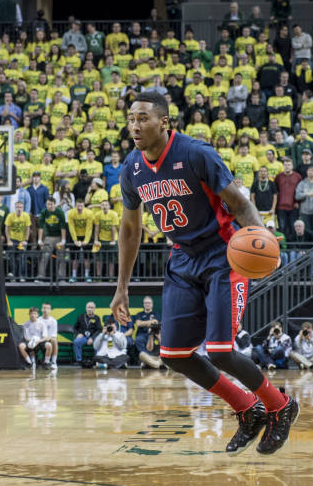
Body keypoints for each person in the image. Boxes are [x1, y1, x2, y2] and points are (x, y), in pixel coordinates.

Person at [111, 91, 299, 457]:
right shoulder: (131, 169)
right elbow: (130, 230)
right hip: (182, 259)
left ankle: (279, 406)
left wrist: (263, 243)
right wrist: (122, 288)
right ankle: (247, 409)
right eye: (132, 118)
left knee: (220, 350)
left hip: (223, 254)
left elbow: (240, 203)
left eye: (143, 118)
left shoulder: (196, 153)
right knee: (174, 354)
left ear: (164, 122)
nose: (135, 125)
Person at [274, 157, 302, 238]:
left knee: (293, 228)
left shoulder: (298, 177)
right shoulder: (278, 177)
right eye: (285, 165)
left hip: (293, 207)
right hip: (281, 207)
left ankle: (293, 248)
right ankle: (283, 248)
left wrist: (298, 202)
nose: (287, 167)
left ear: (292, 166)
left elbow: (300, 190)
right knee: (282, 228)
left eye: (289, 165)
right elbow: (276, 190)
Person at [39, 302, 59, 369]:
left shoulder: (53, 321)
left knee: (54, 340)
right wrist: (44, 339)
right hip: (40, 341)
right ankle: (46, 362)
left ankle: (53, 362)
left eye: (47, 308)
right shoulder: (38, 320)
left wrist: (48, 338)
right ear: (41, 309)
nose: (45, 310)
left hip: (49, 340)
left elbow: (54, 335)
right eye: (44, 308)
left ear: (50, 310)